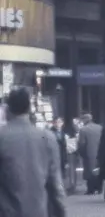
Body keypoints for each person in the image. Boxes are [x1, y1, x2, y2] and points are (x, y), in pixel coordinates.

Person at [0, 87, 66, 217]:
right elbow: (56, 185)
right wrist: (61, 211)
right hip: (39, 211)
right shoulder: (47, 137)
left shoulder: (2, 137)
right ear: (29, 109)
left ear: (7, 110)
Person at [78, 113, 103, 195]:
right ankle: (99, 188)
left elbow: (82, 143)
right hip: (99, 152)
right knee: (98, 170)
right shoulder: (100, 127)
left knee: (89, 171)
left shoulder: (83, 130)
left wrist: (81, 153)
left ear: (85, 120)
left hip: (89, 153)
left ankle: (91, 189)